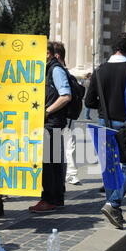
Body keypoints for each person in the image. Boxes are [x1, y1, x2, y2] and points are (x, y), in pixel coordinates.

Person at [84, 32, 126, 230]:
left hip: (103, 124)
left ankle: (115, 209)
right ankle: (113, 204)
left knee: (110, 169)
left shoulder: (99, 71)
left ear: (114, 47)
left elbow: (88, 102)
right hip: (125, 125)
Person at [29, 42, 71, 212]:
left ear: (47, 53)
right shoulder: (50, 69)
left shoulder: (55, 70)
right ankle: (55, 198)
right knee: (51, 162)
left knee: (49, 163)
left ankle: (50, 199)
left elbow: (66, 96)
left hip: (51, 123)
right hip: (50, 123)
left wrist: (46, 112)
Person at [52, 41, 81, 186]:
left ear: (56, 55)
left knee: (68, 144)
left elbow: (65, 95)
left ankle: (71, 173)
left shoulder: (59, 71)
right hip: (62, 115)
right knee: (64, 146)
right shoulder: (64, 71)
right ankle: (68, 173)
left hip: (64, 114)